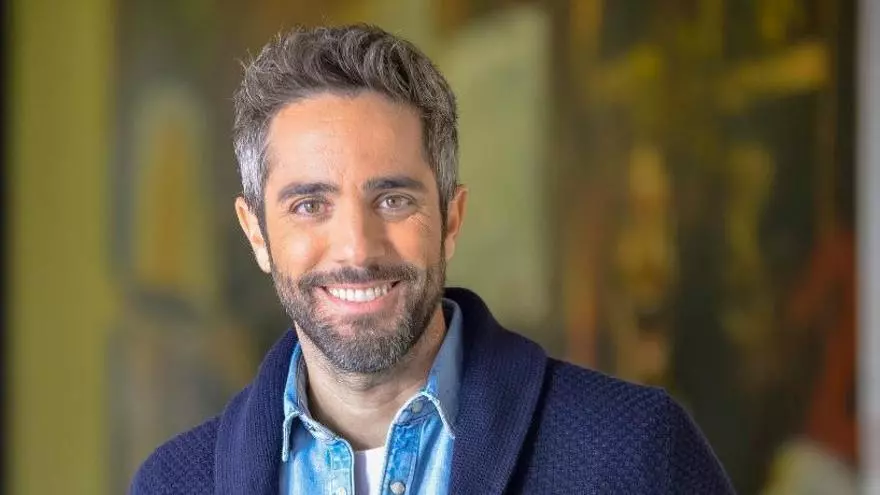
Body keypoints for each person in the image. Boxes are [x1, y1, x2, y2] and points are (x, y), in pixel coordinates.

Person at [131, 24, 733, 494]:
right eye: (310, 205)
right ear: (257, 234)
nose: (357, 249)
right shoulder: (170, 485)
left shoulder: (638, 453)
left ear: (450, 219)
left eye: (392, 200)